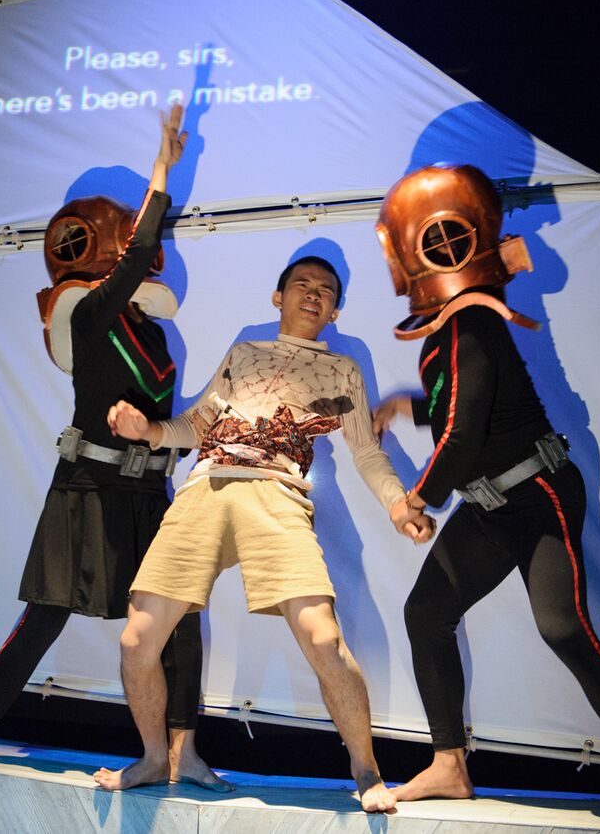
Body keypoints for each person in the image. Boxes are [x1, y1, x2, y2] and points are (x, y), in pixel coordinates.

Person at [370, 164, 600, 830]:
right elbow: (465, 406)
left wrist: (417, 499)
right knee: (428, 612)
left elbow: (464, 432)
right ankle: (449, 764)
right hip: (492, 504)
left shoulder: (472, 320)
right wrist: (409, 407)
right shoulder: (456, 324)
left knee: (565, 631)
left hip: (538, 495)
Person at [0, 105, 228, 791]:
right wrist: (161, 169)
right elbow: (136, 254)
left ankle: (181, 753)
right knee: (48, 613)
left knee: (181, 619)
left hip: (147, 492)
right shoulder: (91, 313)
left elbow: (166, 416)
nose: (137, 251)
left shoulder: (156, 331)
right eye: (127, 241)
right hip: (88, 489)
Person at [96, 255, 435, 813]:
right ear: (278, 297)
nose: (313, 293)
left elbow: (367, 450)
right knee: (137, 641)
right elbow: (196, 425)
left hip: (277, 496)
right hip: (204, 490)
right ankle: (156, 758)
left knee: (323, 639)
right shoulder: (244, 352)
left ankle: (366, 770)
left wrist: (399, 504)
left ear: (335, 310)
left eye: (326, 290)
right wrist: (149, 429)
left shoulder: (343, 369)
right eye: (301, 284)